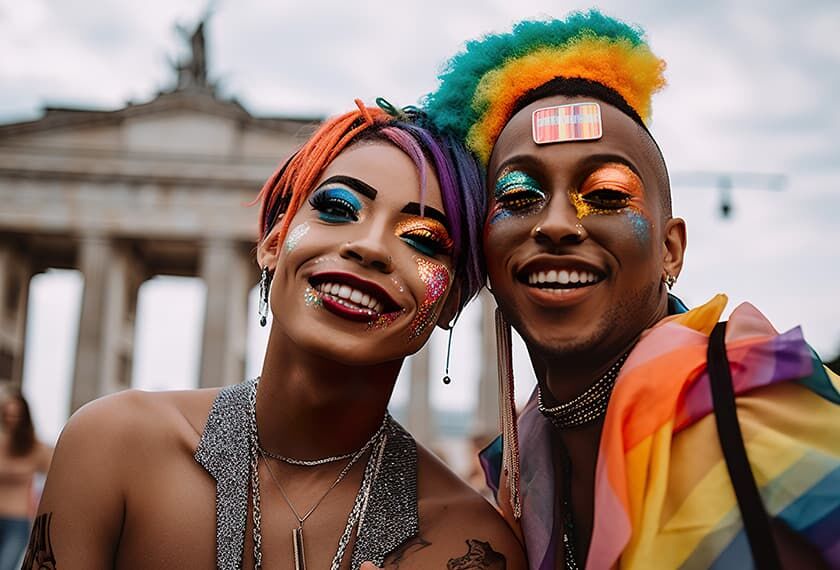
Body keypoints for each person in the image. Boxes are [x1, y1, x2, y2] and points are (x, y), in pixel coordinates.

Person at [23, 100, 526, 569]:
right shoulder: (113, 446)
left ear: (452, 301)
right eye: (337, 207)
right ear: (273, 241)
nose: (369, 247)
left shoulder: (471, 545)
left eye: (423, 239)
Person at [424, 10, 840, 569]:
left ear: (671, 249)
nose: (555, 224)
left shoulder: (767, 419)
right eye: (519, 197)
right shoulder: (518, 480)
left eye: (607, 194)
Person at [0, 390, 51, 570]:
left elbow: (56, 478)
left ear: (24, 417)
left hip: (17, 521)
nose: (10, 419)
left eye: (15, 415)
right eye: (7, 414)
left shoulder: (35, 448)